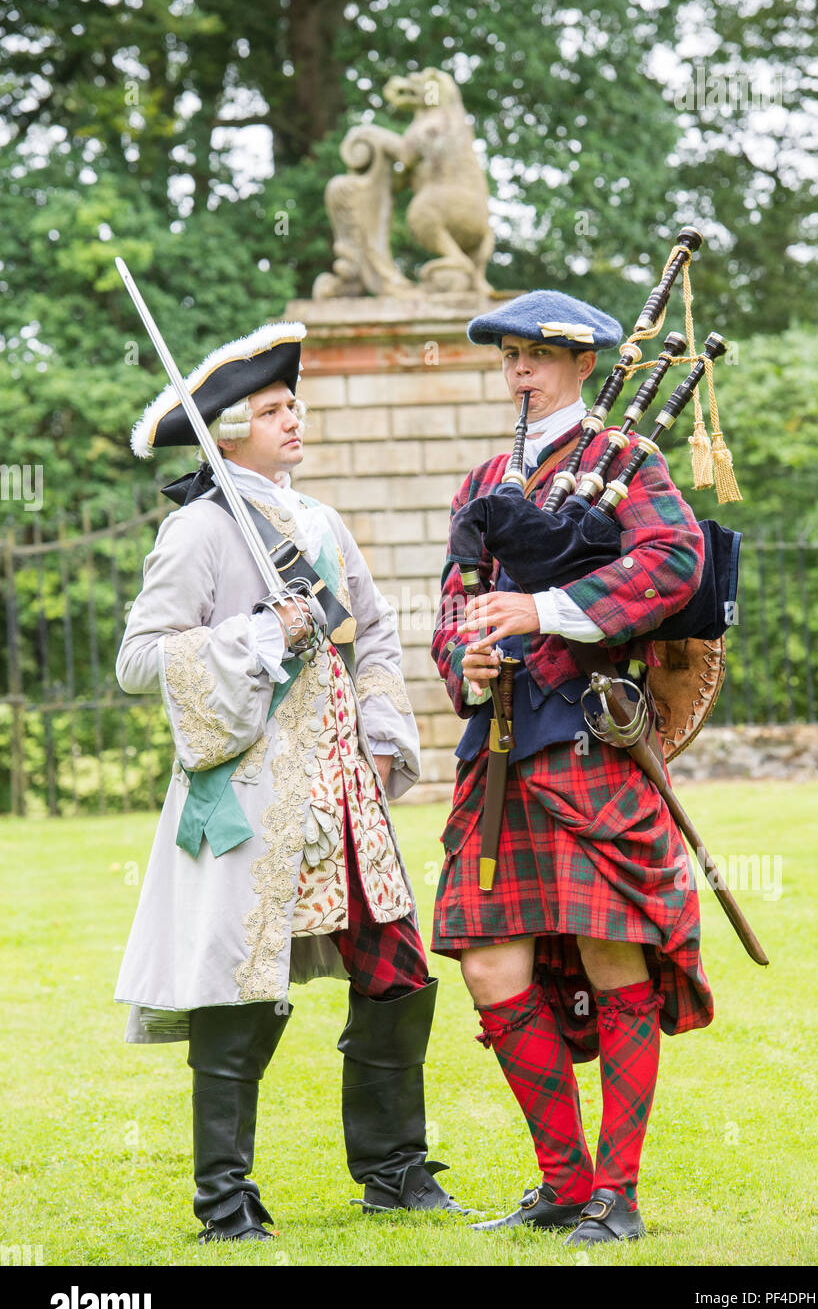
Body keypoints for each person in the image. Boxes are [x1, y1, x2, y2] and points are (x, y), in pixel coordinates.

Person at [115, 321, 462, 1242]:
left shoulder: (321, 522)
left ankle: (394, 1172)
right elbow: (140, 659)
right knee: (240, 990)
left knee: (396, 966)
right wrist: (260, 635)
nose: (294, 418)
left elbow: (376, 636)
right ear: (228, 436)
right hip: (256, 800)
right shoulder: (197, 530)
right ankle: (225, 1203)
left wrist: (385, 735)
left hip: (346, 793)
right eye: (273, 411)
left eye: (293, 404)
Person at [430, 290, 714, 1245]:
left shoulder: (629, 461)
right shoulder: (479, 480)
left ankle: (618, 1195)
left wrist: (545, 611)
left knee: (609, 951)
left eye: (540, 356)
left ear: (584, 364)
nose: (521, 371)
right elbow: (453, 604)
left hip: (590, 739)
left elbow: (678, 563)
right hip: (498, 751)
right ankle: (565, 1182)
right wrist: (463, 660)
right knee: (488, 960)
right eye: (510, 355)